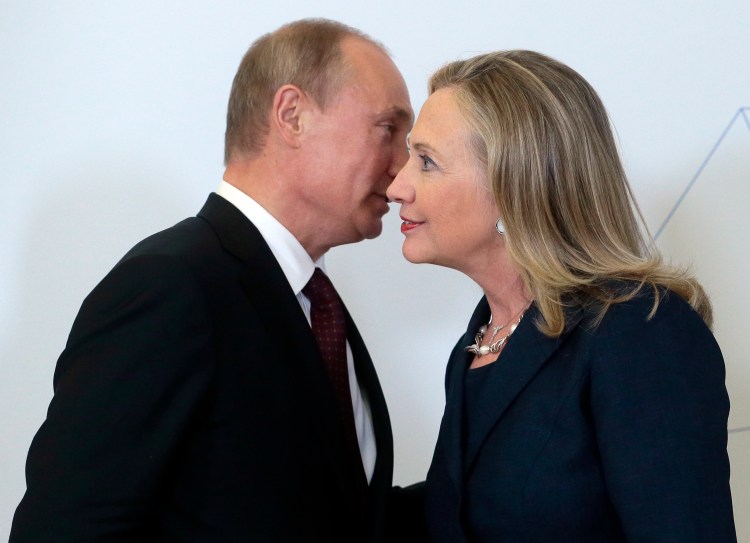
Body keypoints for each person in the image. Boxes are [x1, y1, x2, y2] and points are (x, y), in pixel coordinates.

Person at [10, 18, 413, 542]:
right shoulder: (169, 287)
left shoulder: (316, 304)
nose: (403, 168)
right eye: (388, 129)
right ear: (292, 115)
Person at [386, 50, 736, 542]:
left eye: (426, 161)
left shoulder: (641, 329)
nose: (397, 186)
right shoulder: (482, 337)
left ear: (512, 184)